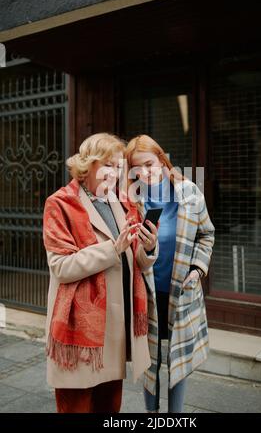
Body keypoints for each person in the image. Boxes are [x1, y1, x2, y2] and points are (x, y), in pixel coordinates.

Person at [43, 133, 158, 413]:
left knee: (110, 408)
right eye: (108, 166)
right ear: (88, 165)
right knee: (77, 407)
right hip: (79, 332)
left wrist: (149, 247)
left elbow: (136, 261)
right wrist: (111, 250)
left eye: (119, 167)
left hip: (116, 329)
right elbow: (61, 267)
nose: (115, 174)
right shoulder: (60, 204)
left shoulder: (121, 202)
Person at [126, 134, 215, 413]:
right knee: (151, 362)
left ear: (163, 160)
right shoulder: (131, 202)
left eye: (150, 163)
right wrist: (147, 248)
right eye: (136, 168)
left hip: (182, 291)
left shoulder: (189, 193)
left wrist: (198, 269)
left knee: (178, 361)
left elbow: (206, 235)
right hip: (149, 293)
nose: (145, 172)